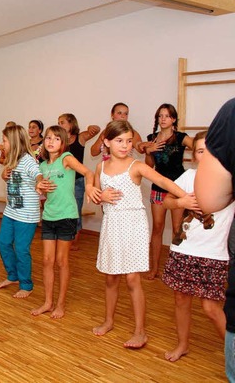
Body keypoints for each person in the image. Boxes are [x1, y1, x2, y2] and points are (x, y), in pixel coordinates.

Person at [92, 120, 189, 349]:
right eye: (119, 141)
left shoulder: (136, 166)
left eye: (128, 141)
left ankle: (140, 331)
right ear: (106, 141)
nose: (125, 145)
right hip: (111, 225)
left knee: (132, 278)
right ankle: (108, 320)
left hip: (133, 224)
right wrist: (100, 196)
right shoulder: (101, 167)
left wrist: (184, 198)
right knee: (110, 277)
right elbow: (96, 194)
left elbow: (163, 181)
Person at [161, 131, 233, 362]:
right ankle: (183, 345)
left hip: (214, 254)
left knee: (211, 308)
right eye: (200, 151)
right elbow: (166, 201)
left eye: (210, 150)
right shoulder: (189, 176)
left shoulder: (229, 179)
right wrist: (180, 202)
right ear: (194, 155)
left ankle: (232, 355)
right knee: (181, 300)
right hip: (184, 250)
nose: (205, 155)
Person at [32, 125, 100, 319]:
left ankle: (60, 304)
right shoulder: (43, 165)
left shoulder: (66, 159)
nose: (51, 141)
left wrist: (89, 187)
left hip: (67, 216)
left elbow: (88, 173)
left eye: (56, 138)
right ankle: (48, 302)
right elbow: (45, 188)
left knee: (62, 261)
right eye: (48, 138)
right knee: (47, 261)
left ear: (63, 143)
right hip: (48, 216)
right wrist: (40, 188)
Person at [193, 98, 235, 381]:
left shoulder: (232, 112)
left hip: (215, 253)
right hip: (191, 249)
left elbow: (208, 198)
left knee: (211, 306)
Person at [143, 103, 193, 280]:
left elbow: (199, 146)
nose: (162, 119)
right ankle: (154, 268)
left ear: (173, 119)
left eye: (166, 116)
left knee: (177, 228)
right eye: (160, 116)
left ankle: (177, 270)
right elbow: (149, 166)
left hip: (178, 189)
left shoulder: (181, 137)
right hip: (158, 187)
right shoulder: (152, 138)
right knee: (157, 227)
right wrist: (149, 151)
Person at [0, 124, 43, 299]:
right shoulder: (11, 159)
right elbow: (9, 177)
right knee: (3, 242)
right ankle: (13, 275)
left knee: (22, 248)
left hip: (27, 215)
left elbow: (37, 174)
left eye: (4, 141)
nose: (2, 144)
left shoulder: (28, 161)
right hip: (11, 211)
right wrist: (3, 175)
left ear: (14, 142)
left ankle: (26, 284)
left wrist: (39, 182)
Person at [57, 113, 100, 250]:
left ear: (71, 123)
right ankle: (64, 237)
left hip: (77, 182)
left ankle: (74, 241)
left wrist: (91, 127)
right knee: (63, 210)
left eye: (62, 122)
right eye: (58, 122)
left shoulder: (80, 138)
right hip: (63, 182)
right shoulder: (60, 141)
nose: (59, 125)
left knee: (75, 211)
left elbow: (97, 130)